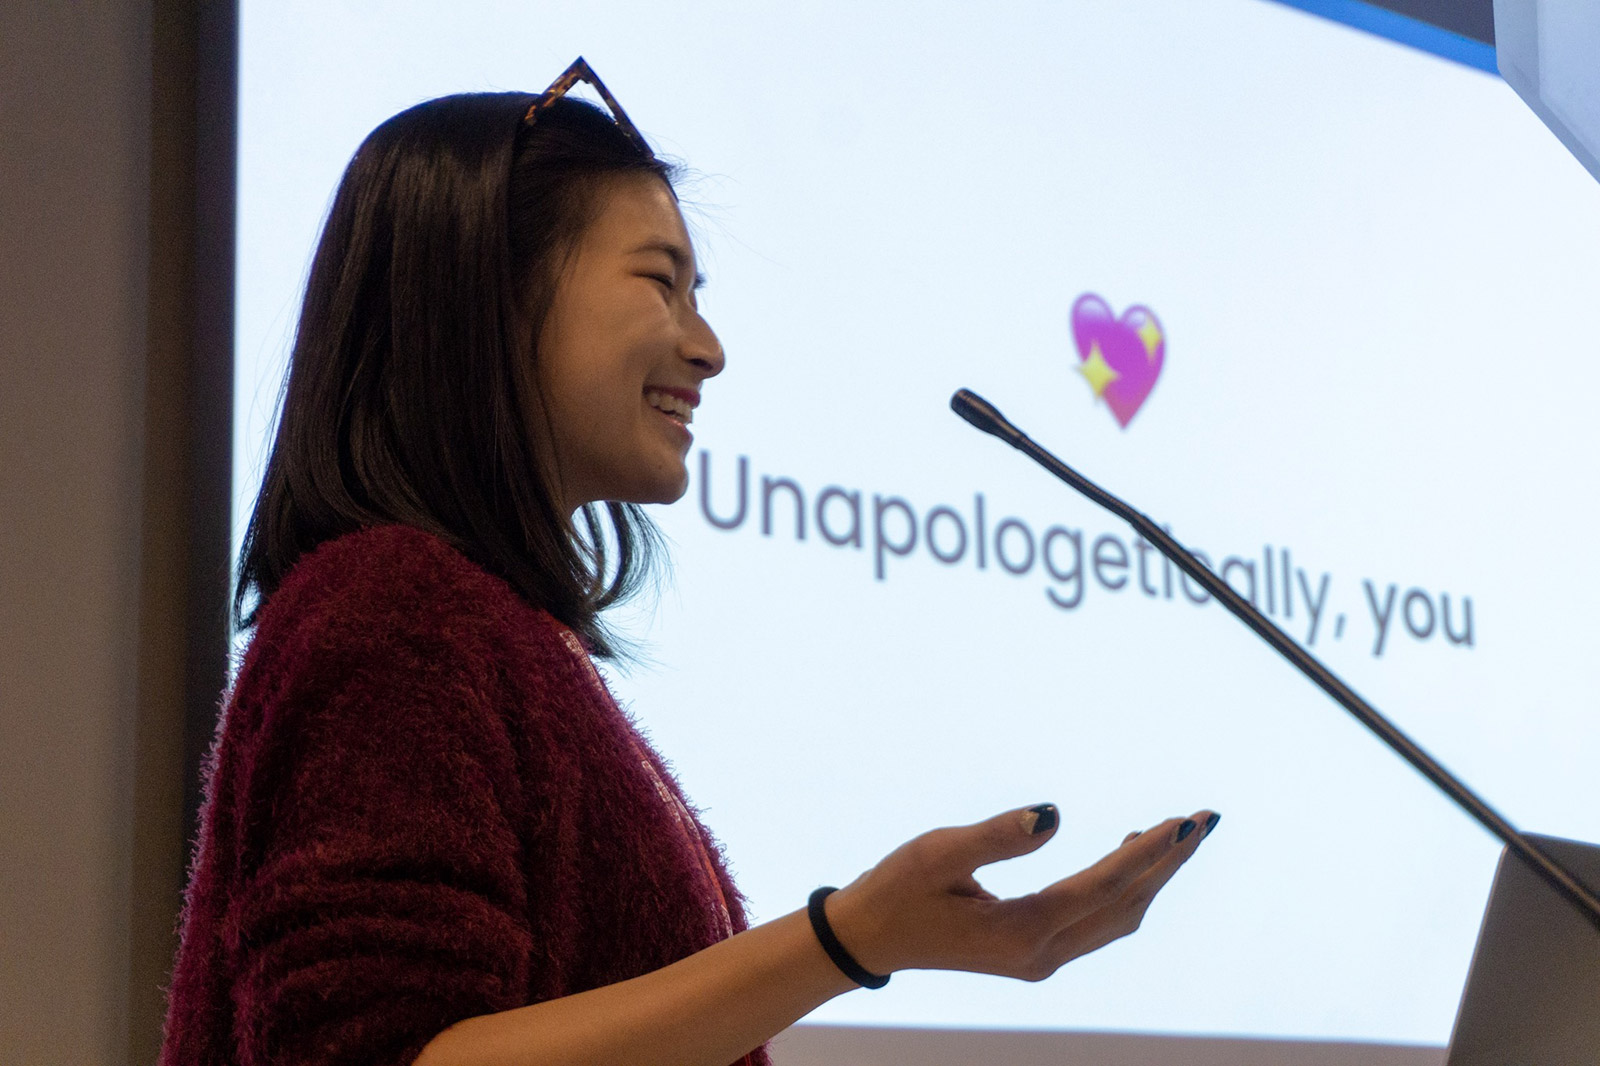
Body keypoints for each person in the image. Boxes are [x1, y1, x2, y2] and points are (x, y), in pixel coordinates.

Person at [159, 60, 1219, 1066]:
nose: (708, 346)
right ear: (486, 290)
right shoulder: (387, 611)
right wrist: (846, 940)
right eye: (663, 284)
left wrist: (876, 939)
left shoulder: (483, 627)